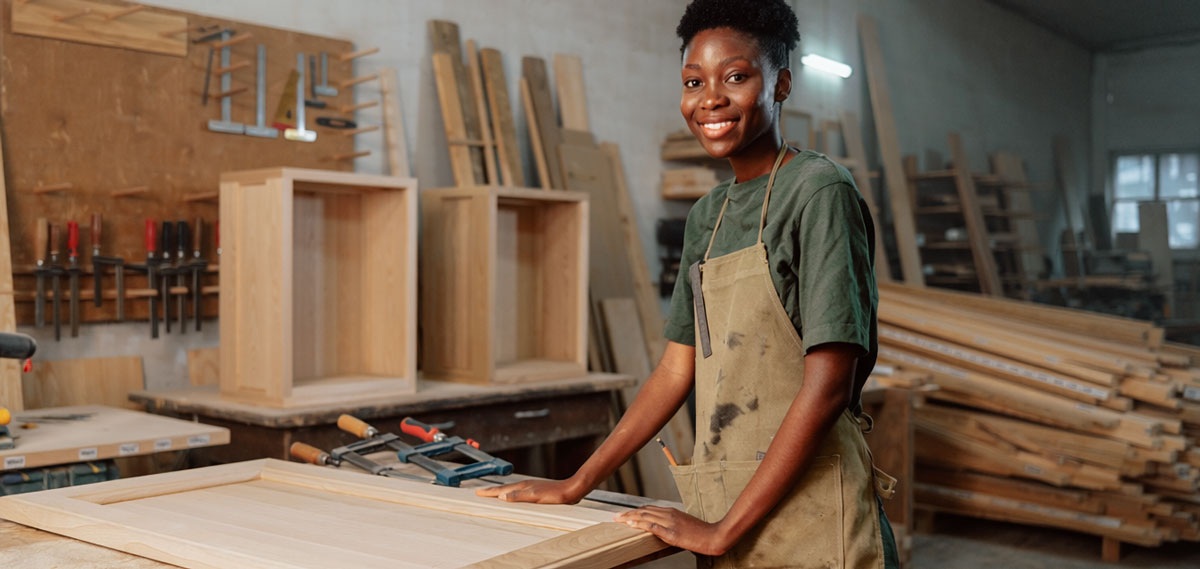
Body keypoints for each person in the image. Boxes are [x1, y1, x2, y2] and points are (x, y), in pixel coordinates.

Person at [478, 0, 899, 566]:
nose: (711, 100)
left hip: (813, 510)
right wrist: (576, 482)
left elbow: (827, 386)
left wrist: (724, 530)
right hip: (724, 502)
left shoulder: (819, 192)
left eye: (737, 76)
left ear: (780, 84)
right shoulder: (709, 216)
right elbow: (677, 370)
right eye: (693, 81)